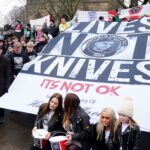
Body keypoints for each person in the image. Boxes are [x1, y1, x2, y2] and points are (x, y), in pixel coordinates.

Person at [0, 46, 11, 123]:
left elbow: (7, 75)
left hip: (1, 84)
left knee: (1, 102)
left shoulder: (6, 60)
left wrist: (7, 87)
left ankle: (1, 116)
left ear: (1, 50)